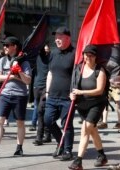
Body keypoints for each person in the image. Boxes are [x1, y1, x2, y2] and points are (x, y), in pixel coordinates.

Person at [0, 36, 32, 158]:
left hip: (19, 95)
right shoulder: (3, 60)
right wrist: (12, 77)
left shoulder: (24, 61)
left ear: (14, 46)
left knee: (20, 123)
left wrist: (18, 71)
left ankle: (19, 148)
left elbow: (28, 81)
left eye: (7, 45)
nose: (4, 47)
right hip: (5, 94)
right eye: (4, 45)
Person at [68, 44, 108, 170]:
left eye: (91, 55)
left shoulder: (100, 70)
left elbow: (99, 90)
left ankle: (78, 161)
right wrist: (72, 94)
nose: (88, 57)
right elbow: (73, 85)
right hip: (82, 105)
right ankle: (102, 156)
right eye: (86, 55)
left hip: (96, 103)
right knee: (93, 131)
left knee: (86, 129)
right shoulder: (79, 68)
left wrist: (81, 92)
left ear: (96, 57)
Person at [44, 26, 75, 161]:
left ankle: (68, 150)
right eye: (56, 37)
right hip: (52, 95)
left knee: (66, 124)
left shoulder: (75, 53)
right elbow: (50, 73)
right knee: (48, 121)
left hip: (67, 97)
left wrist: (76, 92)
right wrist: (46, 91)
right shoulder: (53, 53)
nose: (57, 39)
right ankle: (60, 143)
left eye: (60, 37)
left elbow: (78, 75)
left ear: (68, 38)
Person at [32, 44, 52, 145]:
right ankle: (48, 135)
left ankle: (39, 137)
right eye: (44, 50)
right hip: (37, 88)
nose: (46, 51)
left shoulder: (51, 58)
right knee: (43, 112)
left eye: (47, 50)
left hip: (46, 88)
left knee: (40, 111)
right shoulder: (37, 57)